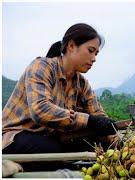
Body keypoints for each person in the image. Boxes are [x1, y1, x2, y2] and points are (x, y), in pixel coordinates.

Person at [2, 23, 119, 154]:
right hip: (15, 136)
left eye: (96, 54)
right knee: (52, 148)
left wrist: (115, 138)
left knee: (97, 145)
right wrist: (89, 121)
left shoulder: (82, 84)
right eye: (90, 51)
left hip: (48, 137)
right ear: (71, 46)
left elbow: (98, 116)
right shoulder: (41, 67)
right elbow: (40, 110)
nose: (94, 59)